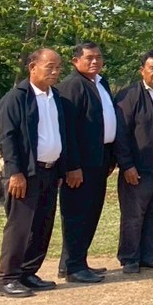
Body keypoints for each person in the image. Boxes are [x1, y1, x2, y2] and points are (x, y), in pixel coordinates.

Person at [0, 48, 77, 298]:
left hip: (50, 172)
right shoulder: (16, 98)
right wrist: (15, 173)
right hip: (26, 174)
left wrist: (62, 168)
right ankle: (7, 279)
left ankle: (28, 272)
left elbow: (61, 135)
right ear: (33, 67)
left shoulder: (56, 97)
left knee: (42, 225)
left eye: (58, 67)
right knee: (20, 227)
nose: (55, 71)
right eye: (49, 66)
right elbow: (7, 138)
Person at [54, 42, 114, 283]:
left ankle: (75, 261)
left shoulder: (101, 83)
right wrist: (72, 166)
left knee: (91, 213)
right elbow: (67, 131)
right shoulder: (72, 86)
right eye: (89, 58)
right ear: (75, 61)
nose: (95, 61)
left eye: (98, 57)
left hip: (99, 160)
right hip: (80, 164)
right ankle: (74, 267)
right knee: (76, 215)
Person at [114, 50, 153, 274]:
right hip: (138, 167)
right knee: (134, 214)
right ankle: (130, 258)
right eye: (152, 68)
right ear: (142, 70)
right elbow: (121, 134)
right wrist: (127, 165)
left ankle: (149, 255)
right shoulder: (129, 96)